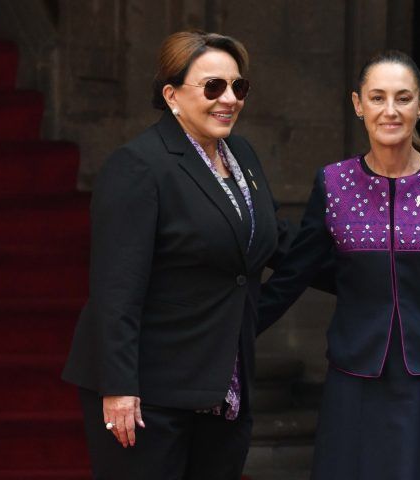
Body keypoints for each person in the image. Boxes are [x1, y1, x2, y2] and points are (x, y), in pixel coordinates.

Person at [62, 30, 293, 479]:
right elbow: (116, 289)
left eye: (239, 86)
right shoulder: (138, 165)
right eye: (213, 86)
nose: (229, 99)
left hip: (222, 386)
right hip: (148, 391)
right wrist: (119, 386)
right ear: (172, 95)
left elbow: (273, 242)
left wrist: (374, 259)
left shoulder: (242, 154)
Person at [258, 50, 420, 479]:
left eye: (403, 98)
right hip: (356, 377)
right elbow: (294, 275)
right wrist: (232, 331)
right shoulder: (333, 183)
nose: (390, 110)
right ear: (358, 104)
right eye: (377, 97)